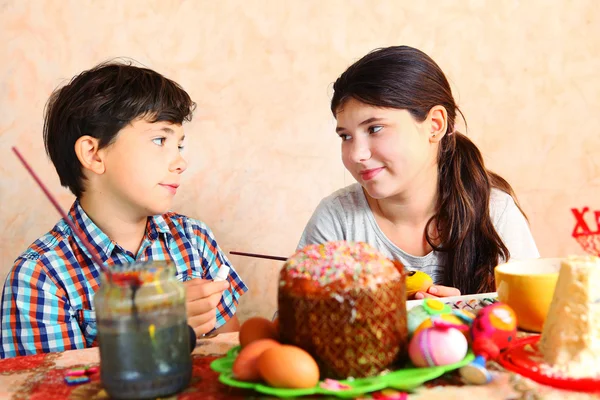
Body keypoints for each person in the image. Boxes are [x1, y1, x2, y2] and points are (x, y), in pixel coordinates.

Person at [0, 61, 247, 358]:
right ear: (93, 154)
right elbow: (49, 388)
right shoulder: (41, 277)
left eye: (179, 145)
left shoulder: (194, 239)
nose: (180, 162)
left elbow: (231, 354)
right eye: (160, 140)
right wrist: (152, 331)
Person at [298, 46, 539, 298]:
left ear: (435, 125)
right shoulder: (337, 220)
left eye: (375, 129)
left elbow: (537, 325)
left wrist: (465, 317)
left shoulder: (496, 213)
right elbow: (287, 329)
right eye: (345, 136)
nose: (356, 154)